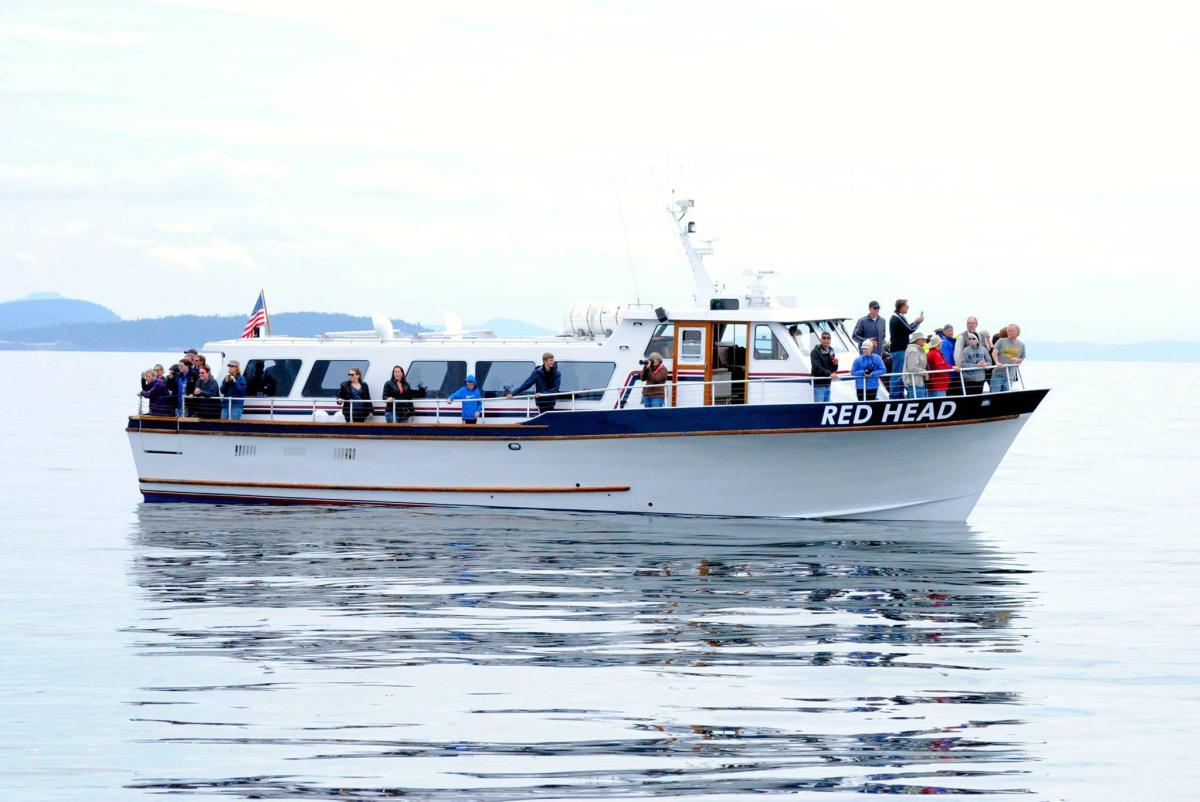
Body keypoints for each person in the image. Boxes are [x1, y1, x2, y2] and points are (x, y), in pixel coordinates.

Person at [888, 299, 925, 397]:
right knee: (898, 374)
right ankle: (895, 397)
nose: (908, 307)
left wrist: (916, 323)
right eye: (907, 306)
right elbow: (909, 329)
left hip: (900, 349)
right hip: (899, 350)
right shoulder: (896, 317)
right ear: (901, 306)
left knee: (901, 373)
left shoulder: (899, 317)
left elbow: (908, 328)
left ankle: (897, 396)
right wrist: (917, 322)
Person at [851, 301, 889, 371]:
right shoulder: (862, 321)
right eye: (875, 308)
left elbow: (883, 335)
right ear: (870, 309)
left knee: (877, 374)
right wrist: (867, 341)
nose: (877, 309)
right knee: (867, 374)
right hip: (865, 355)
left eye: (878, 308)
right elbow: (854, 336)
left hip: (878, 355)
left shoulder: (883, 321)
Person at [991, 324, 1025, 392]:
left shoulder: (1021, 345)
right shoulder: (1001, 341)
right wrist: (997, 362)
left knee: (1006, 396)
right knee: (995, 394)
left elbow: (1022, 358)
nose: (1009, 332)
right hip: (998, 374)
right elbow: (994, 353)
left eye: (1011, 331)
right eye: (1008, 331)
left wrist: (1018, 360)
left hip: (1010, 376)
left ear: (1017, 332)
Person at [809, 332, 838, 403]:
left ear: (830, 340)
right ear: (820, 339)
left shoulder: (831, 350)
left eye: (828, 338)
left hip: (828, 383)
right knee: (819, 408)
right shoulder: (815, 352)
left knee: (827, 407)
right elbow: (817, 367)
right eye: (824, 338)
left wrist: (836, 364)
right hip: (818, 384)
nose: (826, 340)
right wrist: (829, 374)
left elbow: (833, 369)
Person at [902, 331, 929, 398]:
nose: (924, 341)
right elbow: (912, 368)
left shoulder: (917, 349)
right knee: (919, 404)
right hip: (914, 382)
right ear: (917, 340)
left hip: (918, 381)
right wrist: (925, 372)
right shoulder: (913, 350)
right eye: (922, 339)